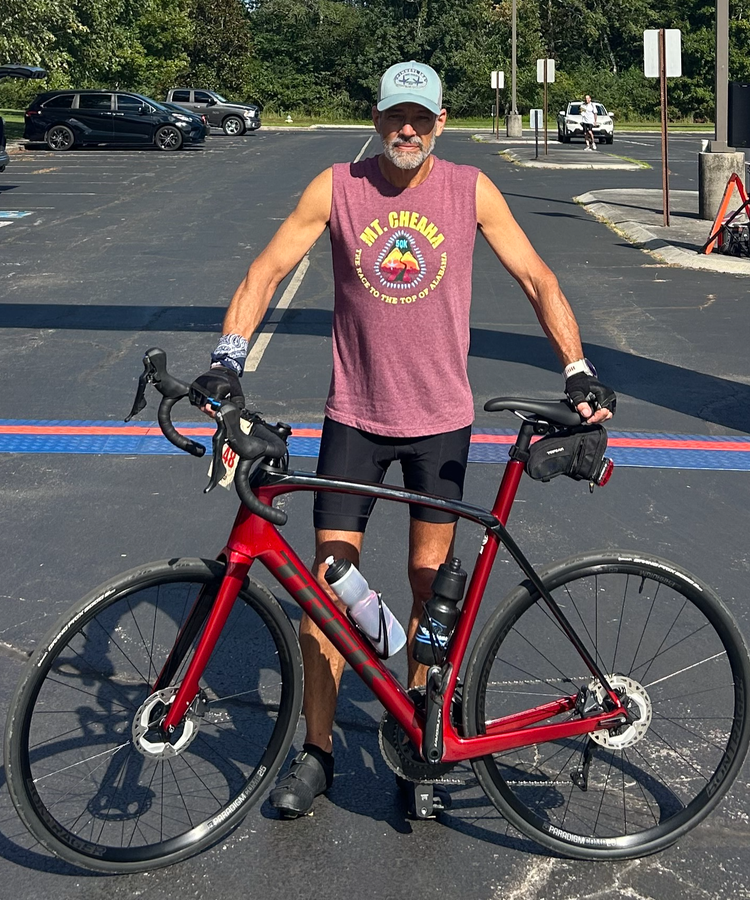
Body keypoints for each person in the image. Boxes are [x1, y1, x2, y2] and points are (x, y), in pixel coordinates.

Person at [189, 60, 616, 819]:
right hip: (354, 416)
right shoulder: (337, 187)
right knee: (327, 588)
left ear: (441, 122)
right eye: (395, 116)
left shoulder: (470, 189)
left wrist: (577, 369)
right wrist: (227, 359)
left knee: (428, 586)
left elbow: (537, 278)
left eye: (420, 117)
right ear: (377, 119)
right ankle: (317, 751)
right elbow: (265, 270)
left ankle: (415, 733)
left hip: (441, 422)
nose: (407, 129)